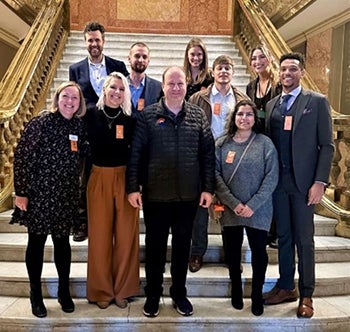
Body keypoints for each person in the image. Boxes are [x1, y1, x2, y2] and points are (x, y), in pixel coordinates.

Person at [127, 66, 215, 318]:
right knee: (154, 249)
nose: (176, 88)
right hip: (156, 196)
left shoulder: (198, 115)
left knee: (181, 249)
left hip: (188, 197)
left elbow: (208, 154)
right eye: (171, 83)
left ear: (186, 86)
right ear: (163, 86)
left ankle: (179, 293)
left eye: (180, 84)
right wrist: (133, 187)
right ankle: (153, 294)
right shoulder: (148, 116)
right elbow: (136, 155)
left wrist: (208, 187)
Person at [263, 52, 334, 319]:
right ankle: (285, 285)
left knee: (304, 240)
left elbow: (327, 146)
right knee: (284, 238)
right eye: (283, 69)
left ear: (302, 72)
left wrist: (320, 182)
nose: (287, 74)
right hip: (278, 185)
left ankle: (306, 293)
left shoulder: (316, 102)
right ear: (278, 73)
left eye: (292, 69)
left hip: (305, 185)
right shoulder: (271, 106)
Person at [11, 81, 89, 318]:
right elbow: (22, 156)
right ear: (58, 98)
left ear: (80, 103)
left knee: (62, 245)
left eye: (75, 98)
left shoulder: (79, 125)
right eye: (65, 96)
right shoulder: (42, 121)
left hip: (65, 195)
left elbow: (85, 156)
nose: (70, 101)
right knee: (36, 244)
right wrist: (21, 192)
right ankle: (35, 294)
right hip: (39, 194)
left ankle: (63, 292)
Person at [215, 100, 278, 316]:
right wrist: (234, 204)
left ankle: (257, 294)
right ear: (234, 117)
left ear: (255, 118)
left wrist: (252, 205)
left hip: (258, 210)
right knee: (232, 253)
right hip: (230, 208)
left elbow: (271, 177)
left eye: (249, 114)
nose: (244, 118)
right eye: (240, 114)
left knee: (259, 253)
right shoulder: (222, 144)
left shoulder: (265, 144)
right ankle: (236, 289)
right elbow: (215, 176)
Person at [188, 55, 249, 273]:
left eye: (228, 68)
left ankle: (232, 253)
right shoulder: (198, 98)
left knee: (230, 205)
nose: (224, 72)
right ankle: (197, 252)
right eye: (219, 68)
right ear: (212, 72)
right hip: (204, 156)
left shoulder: (241, 97)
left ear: (232, 72)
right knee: (201, 205)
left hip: (231, 157)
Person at [69, 21, 129, 242]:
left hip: (114, 130)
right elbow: (74, 99)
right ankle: (82, 222)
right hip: (88, 132)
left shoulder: (118, 65)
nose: (94, 43)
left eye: (97, 40)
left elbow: (124, 95)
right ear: (85, 42)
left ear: (103, 41)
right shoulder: (75, 69)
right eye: (90, 40)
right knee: (84, 178)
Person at [85, 72, 139, 310]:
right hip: (98, 177)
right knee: (99, 236)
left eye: (121, 89)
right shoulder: (89, 115)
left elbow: (136, 154)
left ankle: (123, 289)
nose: (117, 93)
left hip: (125, 178)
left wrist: (135, 185)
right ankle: (101, 290)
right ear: (104, 89)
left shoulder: (130, 120)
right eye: (113, 88)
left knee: (127, 236)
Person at [246, 45, 282, 248]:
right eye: (254, 58)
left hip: (275, 140)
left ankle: (275, 231)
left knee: (273, 185)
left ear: (268, 59)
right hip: (258, 141)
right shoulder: (251, 86)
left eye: (261, 57)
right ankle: (264, 228)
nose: (257, 61)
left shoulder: (277, 85)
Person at [127, 42, 162, 114]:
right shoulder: (119, 85)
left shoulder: (158, 87)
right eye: (137, 56)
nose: (140, 60)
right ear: (129, 59)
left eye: (144, 57)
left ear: (148, 60)